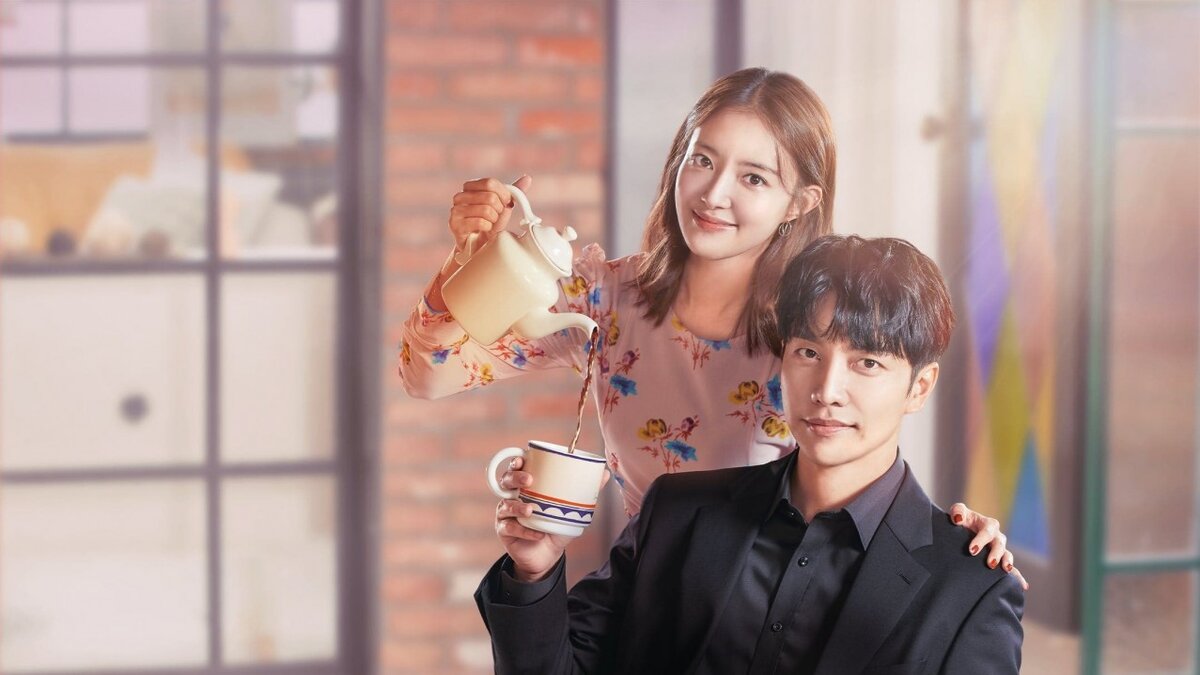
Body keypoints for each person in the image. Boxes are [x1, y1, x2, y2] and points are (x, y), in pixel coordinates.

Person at [398, 67, 1020, 576]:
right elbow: (428, 375)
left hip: (779, 618)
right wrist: (468, 259)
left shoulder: (813, 330)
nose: (714, 194)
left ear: (798, 203)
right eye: (702, 160)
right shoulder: (605, 301)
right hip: (643, 603)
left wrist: (955, 541)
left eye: (754, 177)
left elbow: (868, 461)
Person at [476, 235, 1024, 674]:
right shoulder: (677, 514)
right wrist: (534, 572)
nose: (827, 390)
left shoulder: (970, 585)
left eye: (867, 363)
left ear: (919, 387)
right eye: (808, 352)